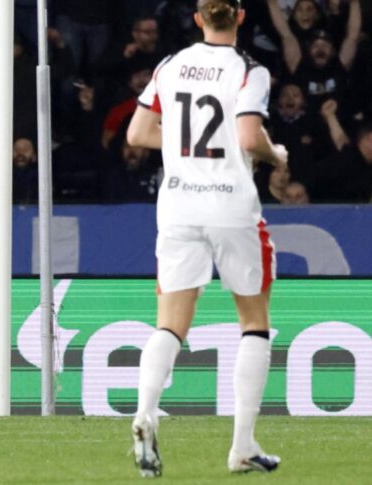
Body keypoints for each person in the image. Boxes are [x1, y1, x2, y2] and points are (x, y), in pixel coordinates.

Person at [126, 0, 287, 476]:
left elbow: (137, 133)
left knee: (170, 324)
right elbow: (249, 138)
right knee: (253, 324)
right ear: (240, 17)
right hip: (231, 207)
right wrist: (277, 155)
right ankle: (242, 446)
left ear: (198, 19)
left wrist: (179, 140)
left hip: (178, 206)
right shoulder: (249, 70)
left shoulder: (170, 65)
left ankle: (145, 411)